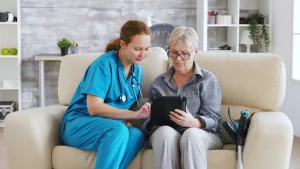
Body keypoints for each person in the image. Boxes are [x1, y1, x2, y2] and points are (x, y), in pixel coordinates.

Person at [60, 20, 152, 169]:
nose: (143, 54)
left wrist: (122, 120)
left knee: (136, 135)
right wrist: (132, 115)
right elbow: (94, 108)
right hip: (79, 124)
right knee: (118, 130)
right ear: (123, 44)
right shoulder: (103, 65)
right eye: (137, 49)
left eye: (147, 49)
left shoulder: (137, 71)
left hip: (107, 125)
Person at [141, 26, 223, 169]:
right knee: (164, 133)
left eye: (184, 54)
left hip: (202, 134)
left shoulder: (207, 80)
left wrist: (194, 122)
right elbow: (147, 122)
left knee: (191, 135)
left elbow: (215, 120)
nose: (178, 59)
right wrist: (150, 119)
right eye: (174, 53)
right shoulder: (159, 83)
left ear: (195, 52)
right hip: (168, 134)